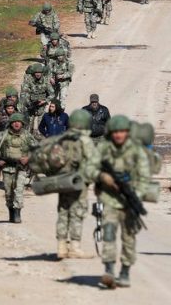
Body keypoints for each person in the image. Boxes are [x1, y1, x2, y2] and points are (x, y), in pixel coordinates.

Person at [95, 115, 151, 289]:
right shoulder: (103, 148)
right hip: (109, 199)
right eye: (115, 132)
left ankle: (125, 272)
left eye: (122, 131)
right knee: (109, 233)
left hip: (129, 201)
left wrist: (136, 195)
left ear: (127, 132)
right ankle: (109, 270)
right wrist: (103, 176)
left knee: (129, 237)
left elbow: (144, 176)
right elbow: (89, 168)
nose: (118, 135)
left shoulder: (136, 150)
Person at [55, 109, 102, 259]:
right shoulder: (85, 140)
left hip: (63, 181)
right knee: (77, 212)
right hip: (79, 182)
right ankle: (75, 247)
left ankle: (61, 246)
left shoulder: (62, 138)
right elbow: (93, 162)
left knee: (63, 212)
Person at [0, 113, 35, 223]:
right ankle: (11, 213)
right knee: (8, 192)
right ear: (11, 123)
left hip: (21, 168)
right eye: (14, 122)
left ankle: (17, 215)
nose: (16, 124)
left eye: (19, 122)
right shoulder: (3, 135)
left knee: (18, 190)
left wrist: (28, 158)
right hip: (7, 167)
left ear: (22, 124)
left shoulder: (27, 136)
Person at [20, 63, 54, 132]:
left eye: (39, 72)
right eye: (36, 72)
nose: (38, 74)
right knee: (28, 126)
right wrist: (28, 103)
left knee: (41, 126)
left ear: (42, 73)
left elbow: (52, 94)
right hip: (31, 105)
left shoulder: (46, 81)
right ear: (33, 73)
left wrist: (45, 101)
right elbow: (24, 92)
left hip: (42, 105)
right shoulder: (29, 80)